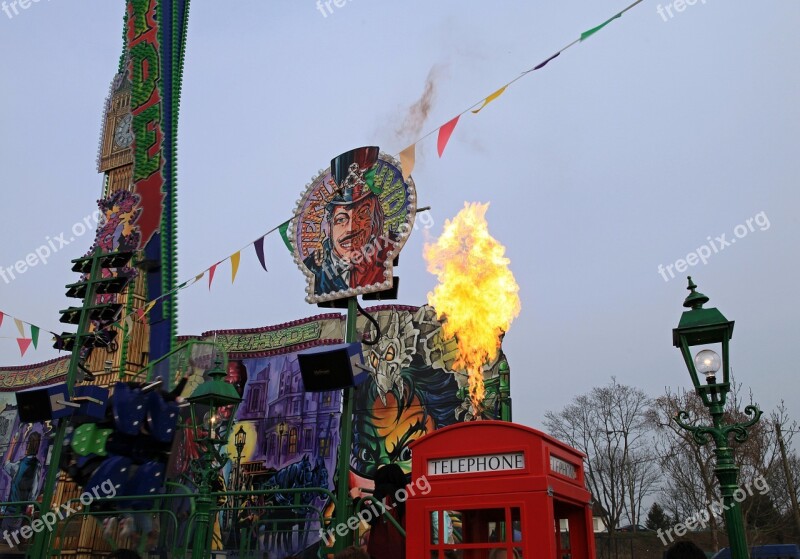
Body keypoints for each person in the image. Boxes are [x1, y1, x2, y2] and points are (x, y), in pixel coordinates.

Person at [303, 147, 395, 295]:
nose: (351, 228)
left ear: (375, 221)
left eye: (362, 215)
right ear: (329, 227)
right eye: (341, 219)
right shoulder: (315, 267)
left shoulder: (384, 257)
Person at [366, 464, 407, 559]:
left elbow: (371, 517)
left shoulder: (382, 491)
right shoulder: (405, 492)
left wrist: (356, 499)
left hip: (382, 549)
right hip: (402, 548)